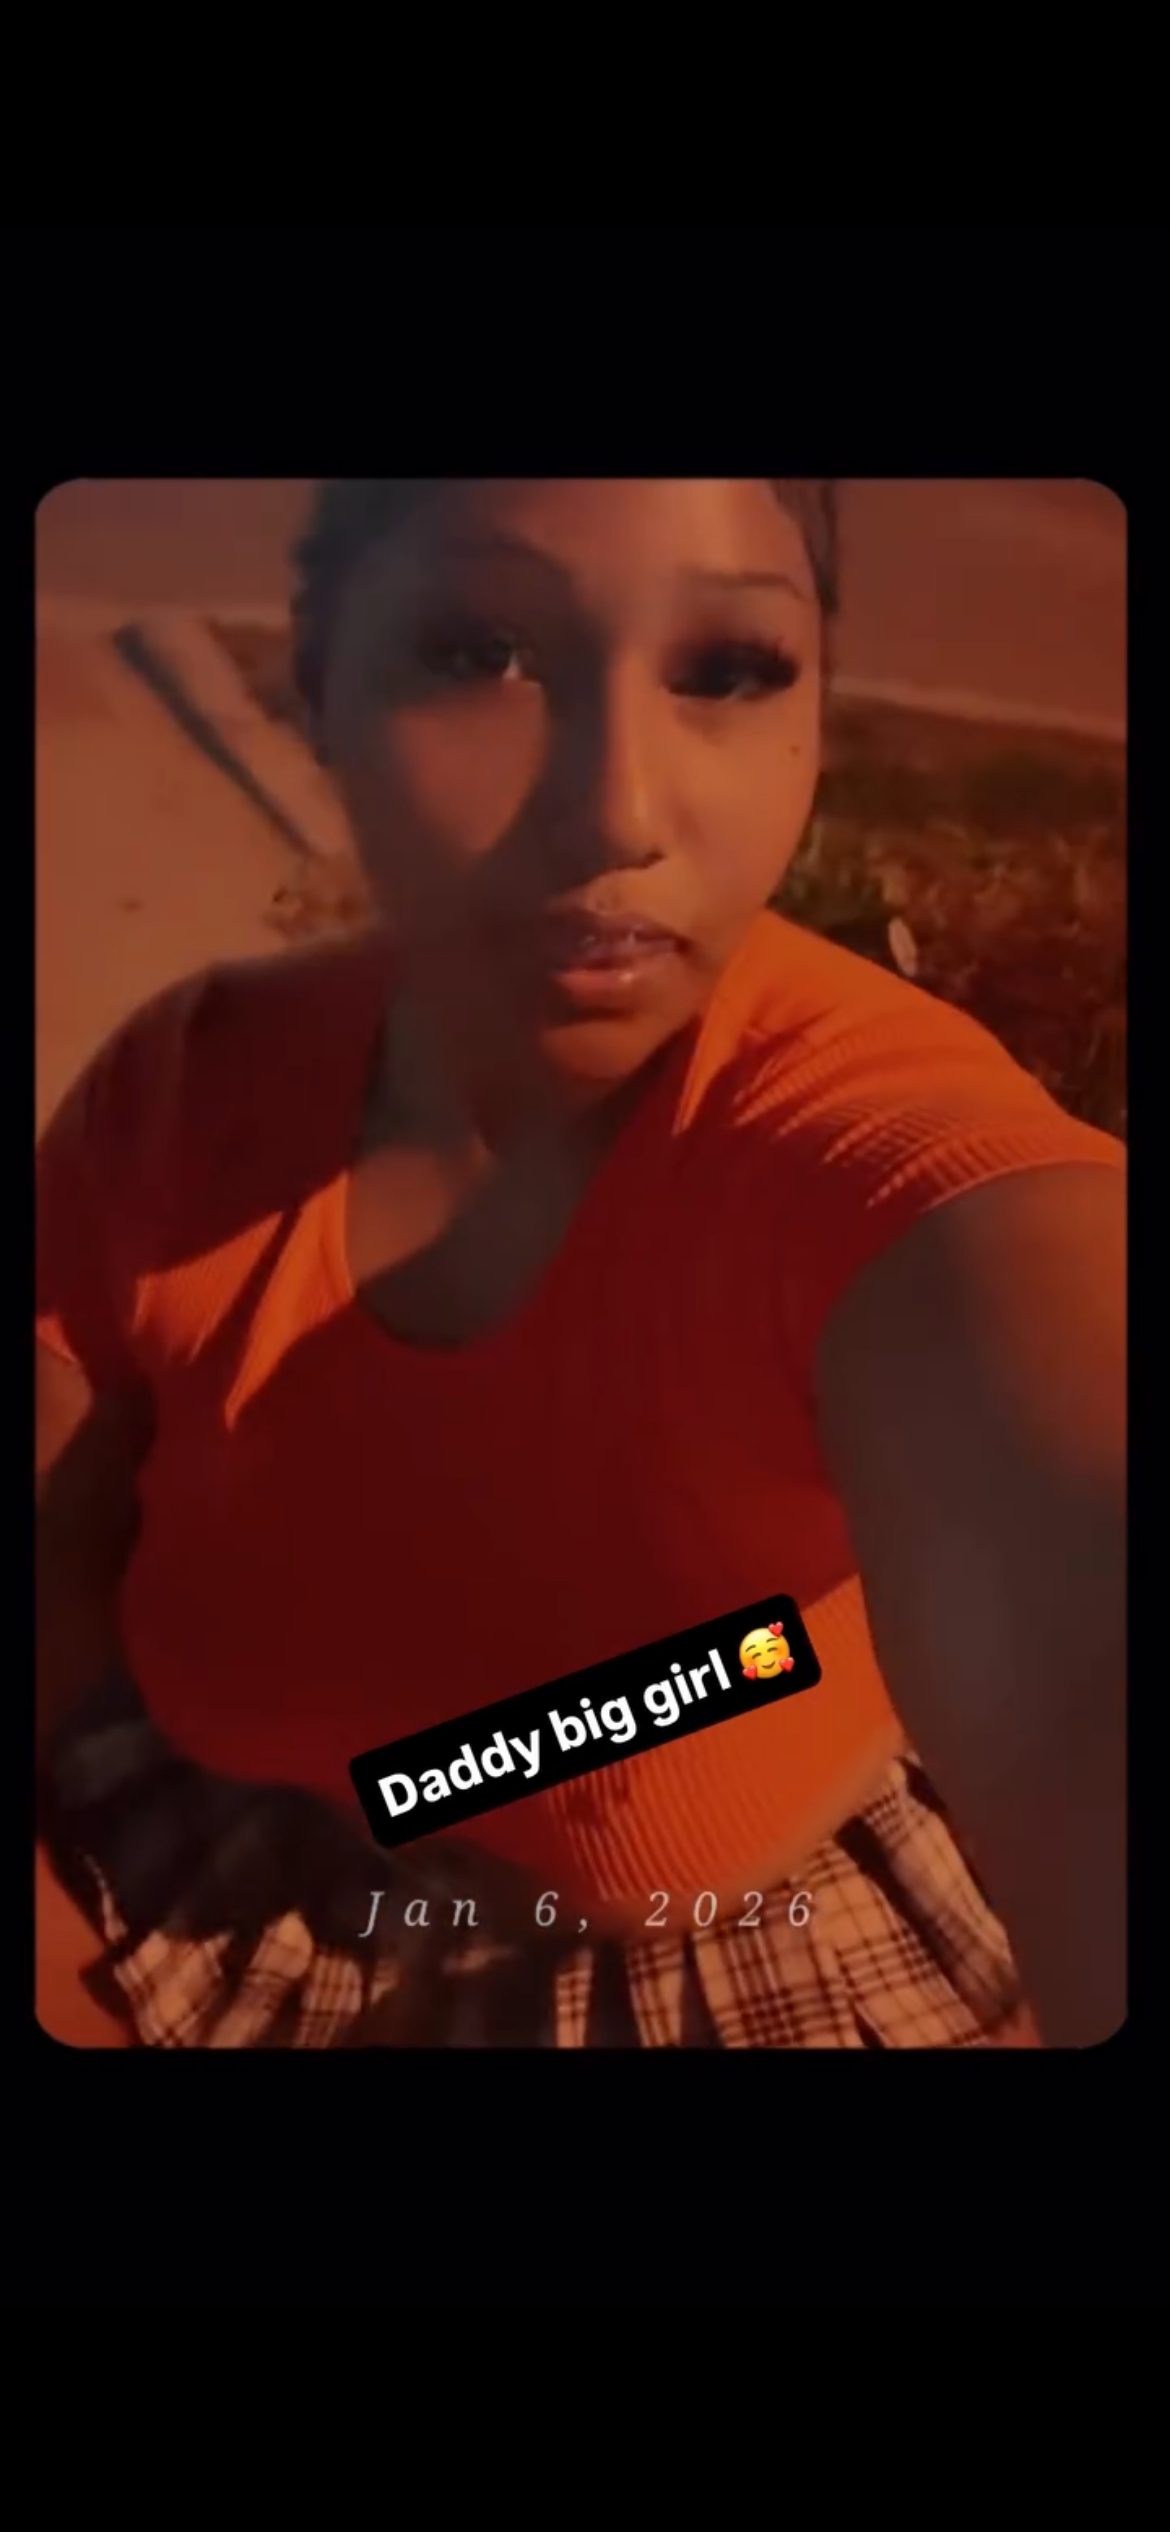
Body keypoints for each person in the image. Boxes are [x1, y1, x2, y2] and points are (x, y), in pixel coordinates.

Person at [35, 478, 1126, 2049]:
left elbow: (1062, 1515)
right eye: (478, 651)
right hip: (216, 1869)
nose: (618, 811)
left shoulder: (862, 1142)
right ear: (319, 685)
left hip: (734, 1956)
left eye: (728, 669)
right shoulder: (182, 1088)